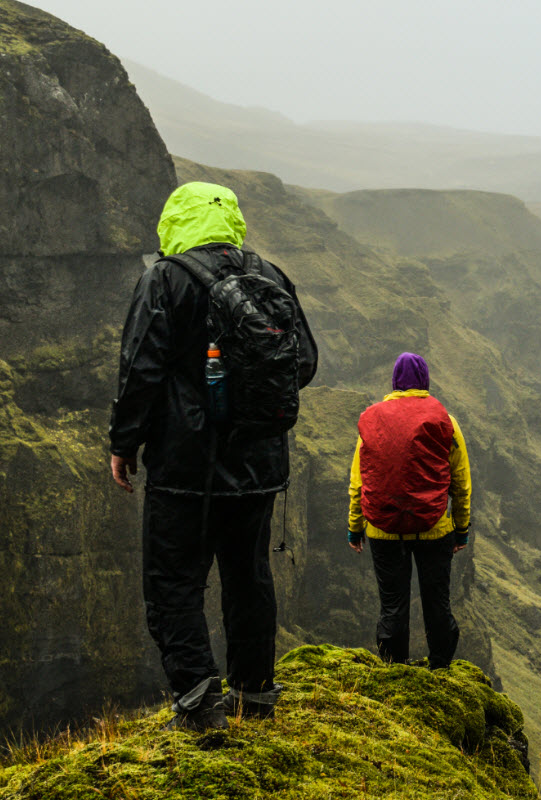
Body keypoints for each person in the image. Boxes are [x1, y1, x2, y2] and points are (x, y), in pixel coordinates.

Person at [109, 181, 318, 731]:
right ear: (232, 220)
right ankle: (255, 698)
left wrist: (123, 443)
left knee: (174, 582)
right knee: (249, 578)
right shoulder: (269, 276)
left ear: (175, 221)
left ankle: (200, 704)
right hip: (258, 467)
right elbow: (305, 365)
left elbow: (140, 371)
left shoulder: (164, 278)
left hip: (185, 469)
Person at [347, 352, 471, 669]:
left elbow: (359, 481)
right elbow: (460, 481)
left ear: (394, 382)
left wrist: (355, 527)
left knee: (392, 604)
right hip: (434, 529)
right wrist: (461, 528)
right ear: (425, 380)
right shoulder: (446, 421)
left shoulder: (373, 420)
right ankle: (441, 666)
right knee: (436, 602)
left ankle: (394, 667)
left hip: (384, 530)